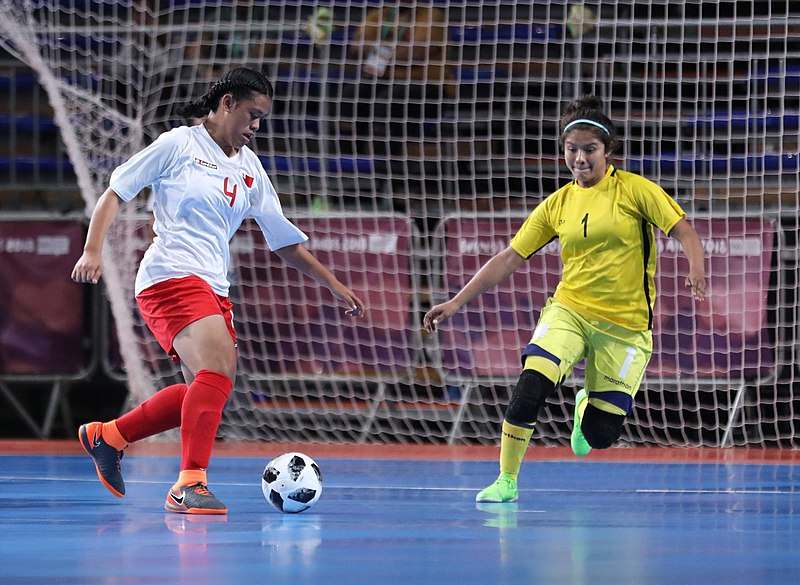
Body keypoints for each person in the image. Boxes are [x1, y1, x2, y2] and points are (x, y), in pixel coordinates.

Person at [71, 67, 365, 515]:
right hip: (169, 275)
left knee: (204, 390)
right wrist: (92, 250)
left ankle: (109, 436)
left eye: (262, 119)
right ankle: (188, 484)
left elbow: (284, 241)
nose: (255, 127)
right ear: (226, 103)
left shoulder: (249, 167)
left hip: (212, 285)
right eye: (251, 114)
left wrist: (334, 284)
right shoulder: (179, 144)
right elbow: (116, 192)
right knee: (220, 367)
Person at [423, 95, 707, 503]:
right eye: (571, 150)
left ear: (608, 151)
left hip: (625, 327)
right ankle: (507, 479)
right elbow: (508, 257)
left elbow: (685, 232)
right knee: (530, 384)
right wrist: (455, 301)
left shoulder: (635, 191)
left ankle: (585, 405)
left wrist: (695, 268)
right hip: (569, 311)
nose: (579, 158)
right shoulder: (557, 203)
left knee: (600, 435)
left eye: (589, 149)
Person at [334, 2, 452, 199]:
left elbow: (415, 54)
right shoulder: (380, 14)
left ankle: (392, 184)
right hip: (386, 80)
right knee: (349, 99)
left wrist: (379, 46)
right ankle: (353, 179)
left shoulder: (431, 15)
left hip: (427, 86)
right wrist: (394, 47)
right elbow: (356, 47)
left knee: (385, 105)